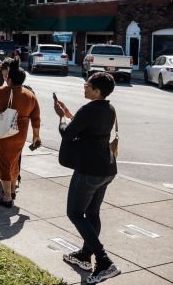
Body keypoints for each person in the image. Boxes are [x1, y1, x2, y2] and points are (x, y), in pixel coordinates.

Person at [55, 72, 120, 284]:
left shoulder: (88, 109)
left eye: (88, 85)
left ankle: (104, 261)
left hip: (89, 170)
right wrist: (69, 114)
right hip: (107, 169)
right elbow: (88, 130)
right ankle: (85, 254)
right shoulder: (109, 109)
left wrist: (62, 117)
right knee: (92, 213)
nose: (84, 87)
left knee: (74, 212)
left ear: (97, 91)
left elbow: (68, 133)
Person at [0, 59, 41, 207]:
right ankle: (12, 190)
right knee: (14, 162)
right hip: (22, 134)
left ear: (11, 79)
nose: (5, 79)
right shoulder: (30, 94)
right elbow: (36, 117)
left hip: (6, 132)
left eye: (7, 77)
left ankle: (7, 197)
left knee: (4, 164)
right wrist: (36, 136)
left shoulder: (6, 91)